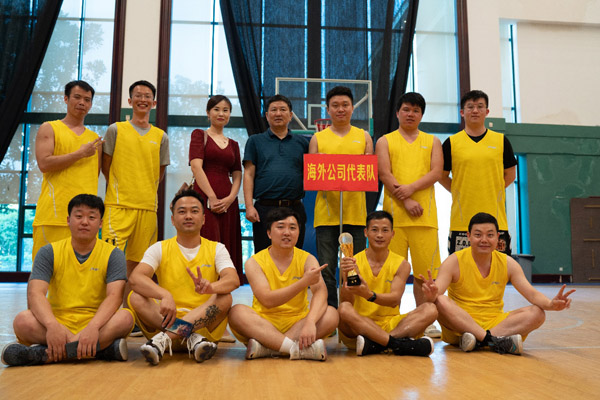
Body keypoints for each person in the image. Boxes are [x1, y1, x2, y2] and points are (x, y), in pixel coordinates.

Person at [2, 194, 133, 366]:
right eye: (78, 216)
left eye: (91, 217)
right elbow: (35, 293)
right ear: (68, 220)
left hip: (98, 323)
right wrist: (52, 325)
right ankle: (99, 350)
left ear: (100, 223)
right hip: (57, 323)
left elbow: (114, 297)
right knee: (22, 321)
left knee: (126, 317)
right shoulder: (49, 252)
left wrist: (93, 327)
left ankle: (48, 354)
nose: (84, 222)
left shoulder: (113, 254)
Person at [422, 212, 575, 355]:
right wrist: (431, 294)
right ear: (469, 236)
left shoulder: (508, 263)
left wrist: (551, 304)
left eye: (490, 235)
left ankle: (479, 341)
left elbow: (532, 294)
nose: (484, 240)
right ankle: (492, 341)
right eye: (478, 235)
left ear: (497, 237)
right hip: (460, 324)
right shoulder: (453, 261)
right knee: (440, 300)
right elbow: (436, 295)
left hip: (495, 324)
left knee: (538, 313)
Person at [127, 189, 240, 365]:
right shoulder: (159, 248)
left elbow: (233, 280)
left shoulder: (217, 248)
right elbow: (135, 278)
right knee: (135, 296)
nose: (188, 216)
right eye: (182, 211)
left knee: (225, 297)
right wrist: (164, 294)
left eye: (194, 211)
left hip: (201, 327)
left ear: (203, 219)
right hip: (169, 322)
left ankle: (165, 339)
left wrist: (211, 288)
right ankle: (191, 336)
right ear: (173, 220)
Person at [228, 207, 338, 361]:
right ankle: (294, 349)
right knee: (236, 313)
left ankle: (269, 347)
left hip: (298, 323)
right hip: (263, 324)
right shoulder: (254, 262)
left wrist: (310, 322)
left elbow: (320, 293)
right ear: (269, 233)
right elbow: (267, 299)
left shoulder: (307, 259)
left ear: (298, 232)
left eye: (292, 228)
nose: (287, 232)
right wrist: (303, 282)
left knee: (331, 314)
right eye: (280, 227)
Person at [376, 92, 443, 338]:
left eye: (415, 110)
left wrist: (410, 190)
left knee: (425, 276)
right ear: (397, 113)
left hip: (424, 219)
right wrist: (406, 201)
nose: (410, 114)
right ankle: (388, 319)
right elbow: (385, 173)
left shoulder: (432, 141)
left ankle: (425, 320)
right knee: (391, 274)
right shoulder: (385, 141)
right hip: (393, 221)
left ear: (421, 115)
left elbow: (436, 172)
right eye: (406, 109)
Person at [308, 86, 374, 308]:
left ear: (353, 108)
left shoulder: (363, 137)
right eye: (335, 105)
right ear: (327, 109)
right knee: (327, 270)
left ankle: (352, 314)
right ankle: (330, 312)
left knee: (353, 270)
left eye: (345, 105)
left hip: (355, 215)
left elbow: (368, 174)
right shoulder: (317, 138)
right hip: (326, 216)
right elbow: (313, 177)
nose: (340, 109)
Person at [338, 211, 437, 357]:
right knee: (344, 309)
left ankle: (378, 344)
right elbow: (346, 301)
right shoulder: (352, 262)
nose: (380, 235)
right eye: (374, 230)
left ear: (392, 234)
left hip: (389, 326)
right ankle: (396, 344)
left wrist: (369, 295)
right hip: (359, 326)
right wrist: (348, 278)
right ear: (366, 233)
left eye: (385, 230)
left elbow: (394, 300)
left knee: (431, 309)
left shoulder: (402, 264)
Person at [102, 80, 170, 289]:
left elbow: (159, 172)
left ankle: (128, 306)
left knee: (139, 264)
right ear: (130, 101)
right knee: (108, 258)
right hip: (118, 206)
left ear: (154, 103)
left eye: (147, 96)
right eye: (138, 95)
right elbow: (106, 166)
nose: (143, 99)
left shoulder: (161, 136)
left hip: (147, 208)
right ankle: (105, 305)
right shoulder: (115, 130)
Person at [32, 80, 103, 262]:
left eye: (87, 99)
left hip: (84, 219)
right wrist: (80, 154)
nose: (82, 103)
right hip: (53, 216)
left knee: (80, 273)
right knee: (45, 271)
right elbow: (44, 163)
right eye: (77, 97)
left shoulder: (95, 140)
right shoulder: (49, 128)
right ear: (66, 99)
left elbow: (93, 176)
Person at [440, 90, 517, 255]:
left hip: (496, 222)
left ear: (487, 111)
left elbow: (511, 175)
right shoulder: (451, 143)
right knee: (461, 270)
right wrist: (459, 189)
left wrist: (491, 188)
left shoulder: (501, 141)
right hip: (461, 223)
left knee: (497, 269)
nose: (475, 110)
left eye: (480, 106)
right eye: (470, 107)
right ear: (462, 112)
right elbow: (441, 175)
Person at [243, 94, 309, 252]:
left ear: (291, 115)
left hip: (294, 208)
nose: (278, 113)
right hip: (264, 209)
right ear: (267, 115)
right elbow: (248, 174)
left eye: (283, 109)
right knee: (264, 256)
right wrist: (249, 206)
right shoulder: (255, 141)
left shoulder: (302, 143)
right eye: (273, 110)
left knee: (294, 256)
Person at [189, 95, 243, 282]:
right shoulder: (199, 135)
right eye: (216, 109)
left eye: (225, 110)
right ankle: (202, 286)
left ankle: (224, 289)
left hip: (228, 202)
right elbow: (196, 167)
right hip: (204, 199)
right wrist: (211, 197)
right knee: (207, 241)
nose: (221, 113)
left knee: (227, 244)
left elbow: (237, 174)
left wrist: (230, 198)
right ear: (208, 113)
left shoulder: (234, 144)